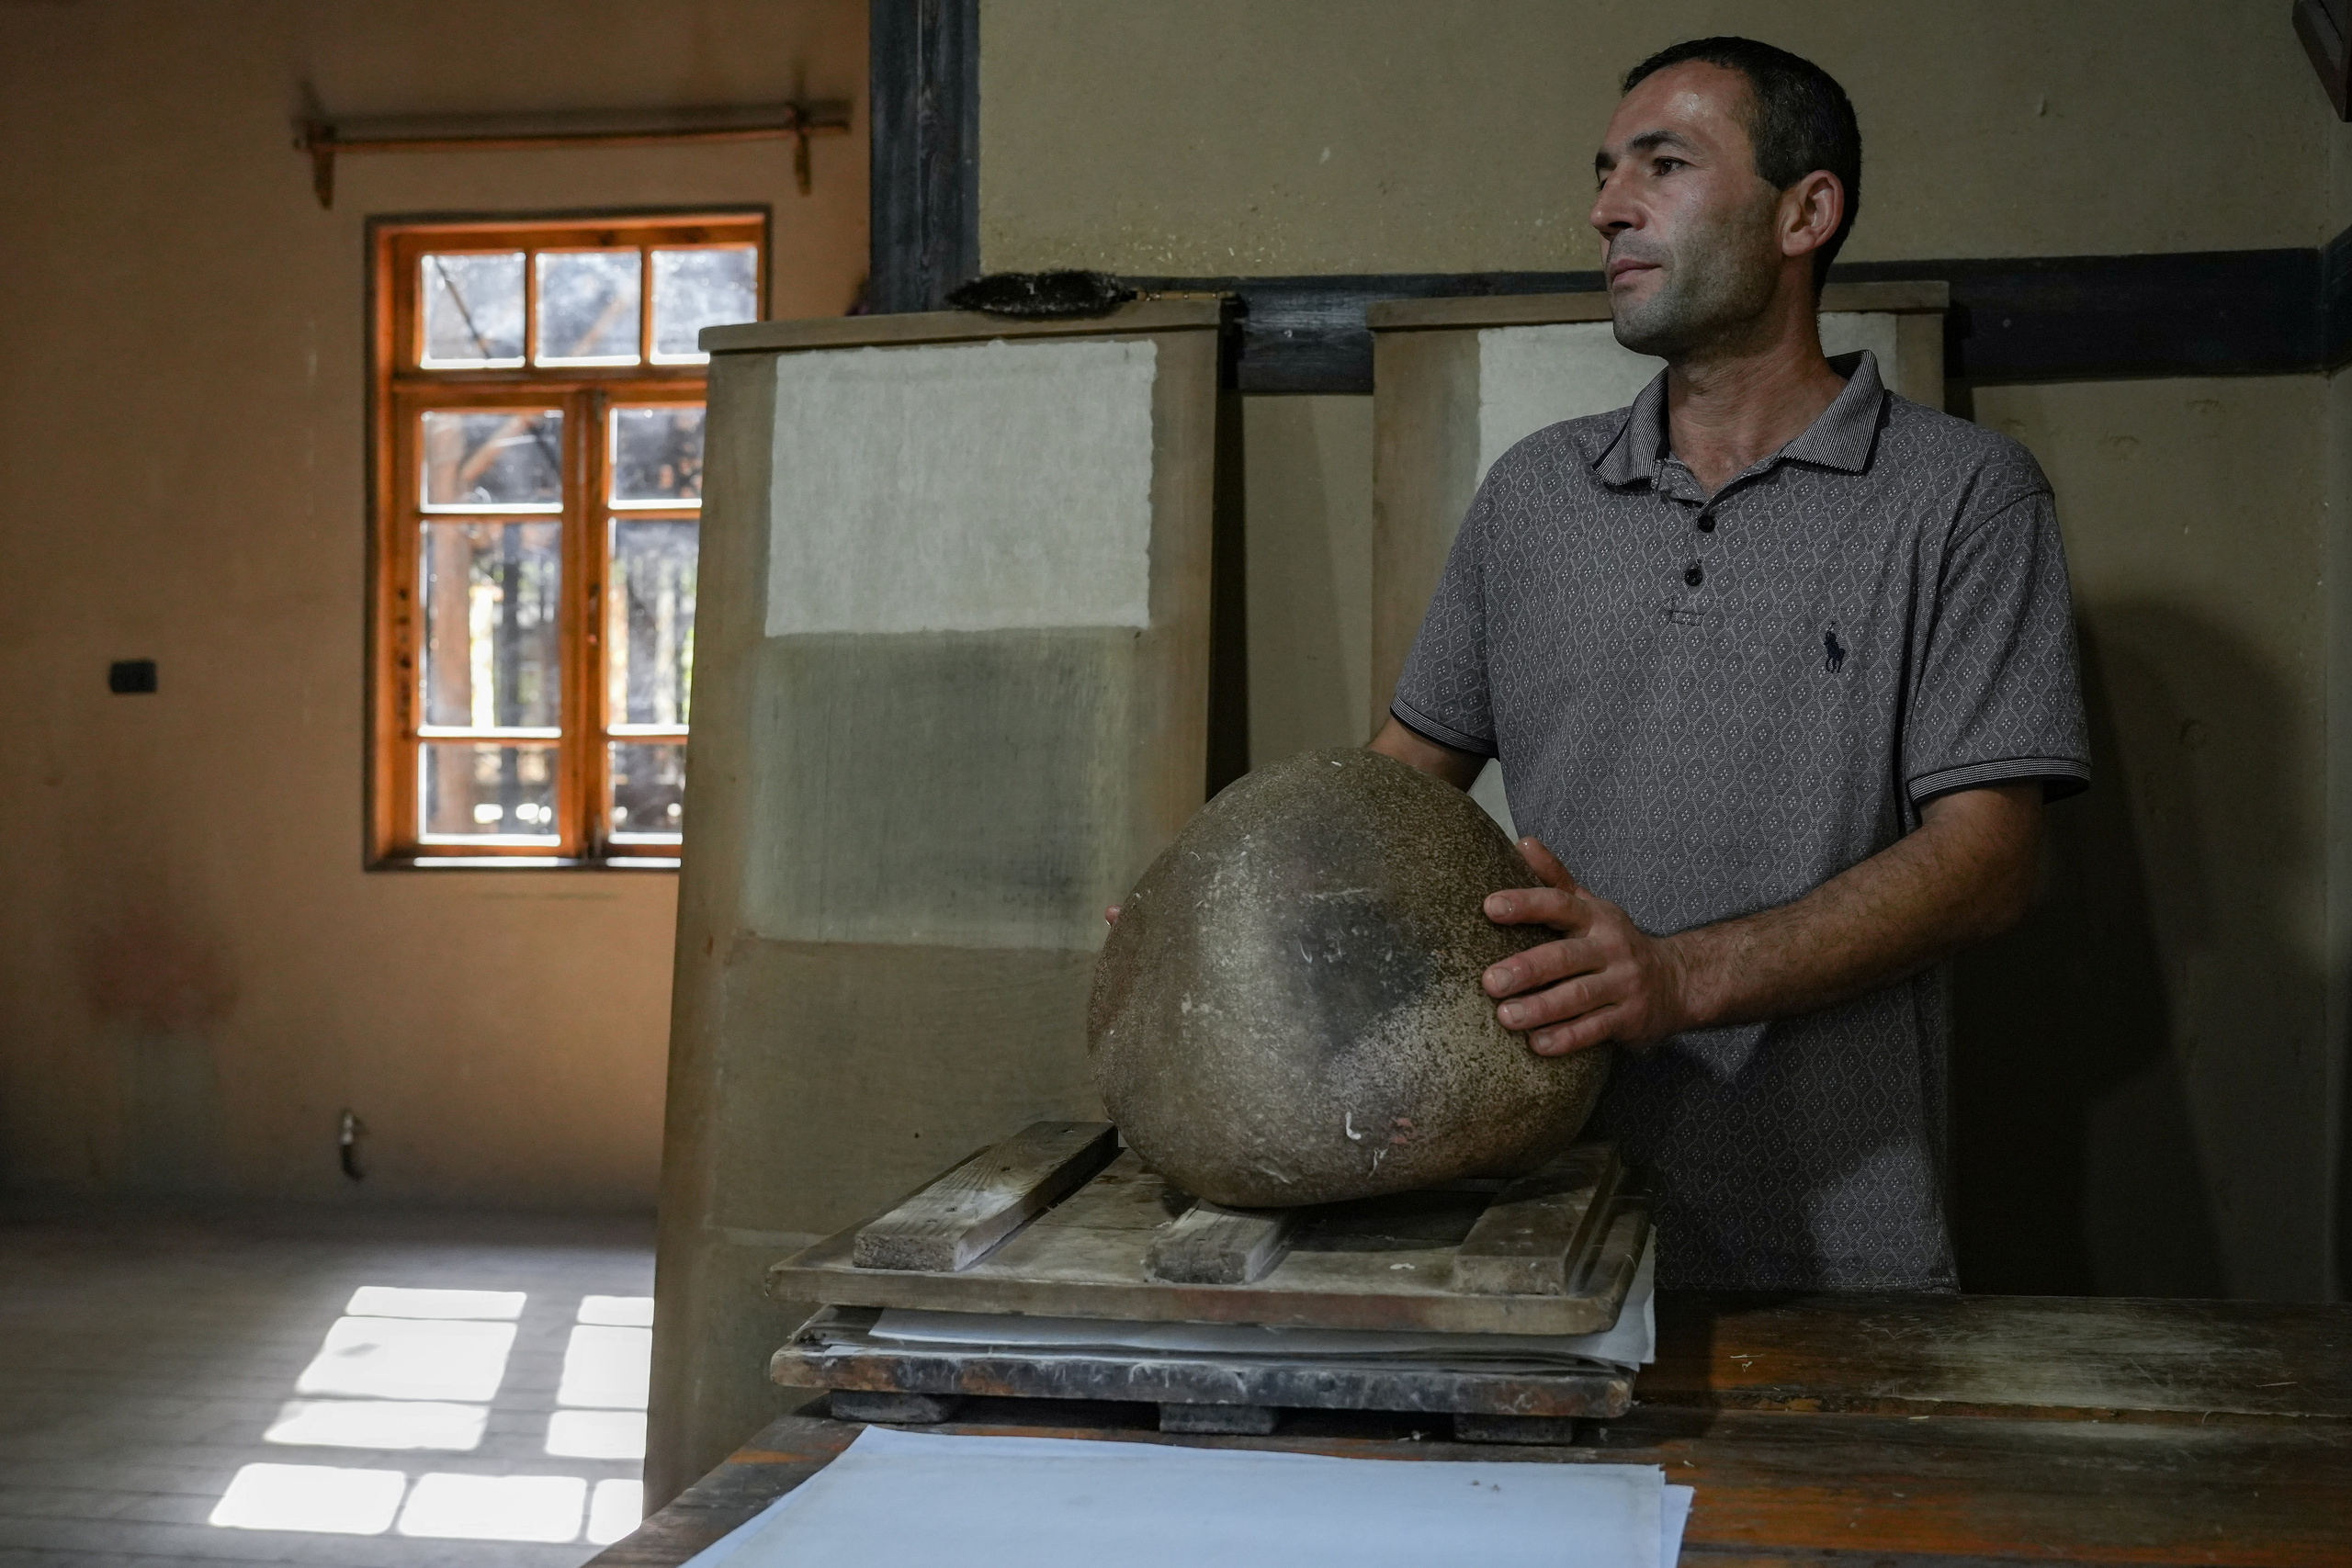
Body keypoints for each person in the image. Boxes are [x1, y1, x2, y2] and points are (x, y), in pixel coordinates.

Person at [1369, 37, 2089, 1291]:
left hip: (1838, 1251)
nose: (1607, 208)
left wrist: (1676, 977)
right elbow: (1395, 789)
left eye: (1664, 165)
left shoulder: (1963, 495)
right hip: (1543, 1226)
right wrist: (1243, 907)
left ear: (1806, 213)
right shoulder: (1534, 493)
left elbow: (1990, 863)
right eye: (1605, 173)